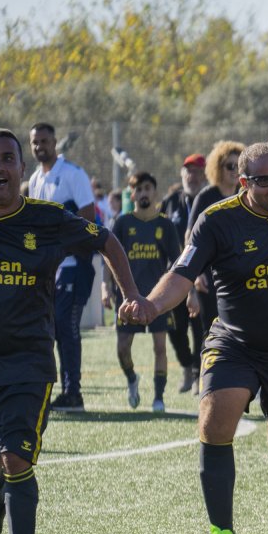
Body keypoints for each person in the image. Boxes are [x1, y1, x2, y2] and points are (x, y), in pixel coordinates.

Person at [123, 142, 268, 534]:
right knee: (215, 421)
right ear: (243, 183)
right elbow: (181, 274)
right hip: (234, 342)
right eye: (265, 180)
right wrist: (150, 304)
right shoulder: (216, 221)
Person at [0, 128, 142, 534]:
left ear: (24, 170)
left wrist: (132, 295)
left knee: (17, 461)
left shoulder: (48, 220)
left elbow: (106, 240)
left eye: (8, 160)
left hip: (28, 365)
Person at [27, 123, 99, 413]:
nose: (39, 146)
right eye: (34, 142)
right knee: (53, 329)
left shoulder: (73, 174)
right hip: (49, 269)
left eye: (44, 140)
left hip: (72, 265)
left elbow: (88, 218)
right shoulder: (34, 179)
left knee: (67, 328)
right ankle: (61, 389)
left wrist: (63, 250)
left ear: (55, 142)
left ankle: (74, 393)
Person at [103, 172, 182, 412]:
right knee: (123, 347)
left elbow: (177, 261)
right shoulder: (123, 223)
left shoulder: (165, 225)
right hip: (127, 297)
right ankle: (132, 379)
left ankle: (159, 397)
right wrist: (105, 286)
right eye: (139, 189)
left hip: (157, 298)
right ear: (133, 193)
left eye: (148, 188)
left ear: (154, 192)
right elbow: (109, 257)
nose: (144, 193)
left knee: (160, 347)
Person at [161, 154, 208, 393]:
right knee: (175, 328)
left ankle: (200, 373)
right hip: (174, 276)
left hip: (202, 277)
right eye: (188, 171)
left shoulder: (210, 200)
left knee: (201, 328)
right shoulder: (171, 202)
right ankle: (187, 366)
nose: (193, 176)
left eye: (198, 171)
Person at [187, 141, 244, 339]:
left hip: (239, 273)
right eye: (230, 166)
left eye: (239, 166)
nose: (235, 171)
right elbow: (190, 237)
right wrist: (195, 274)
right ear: (217, 168)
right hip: (209, 277)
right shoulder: (205, 197)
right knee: (211, 333)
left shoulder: (246, 196)